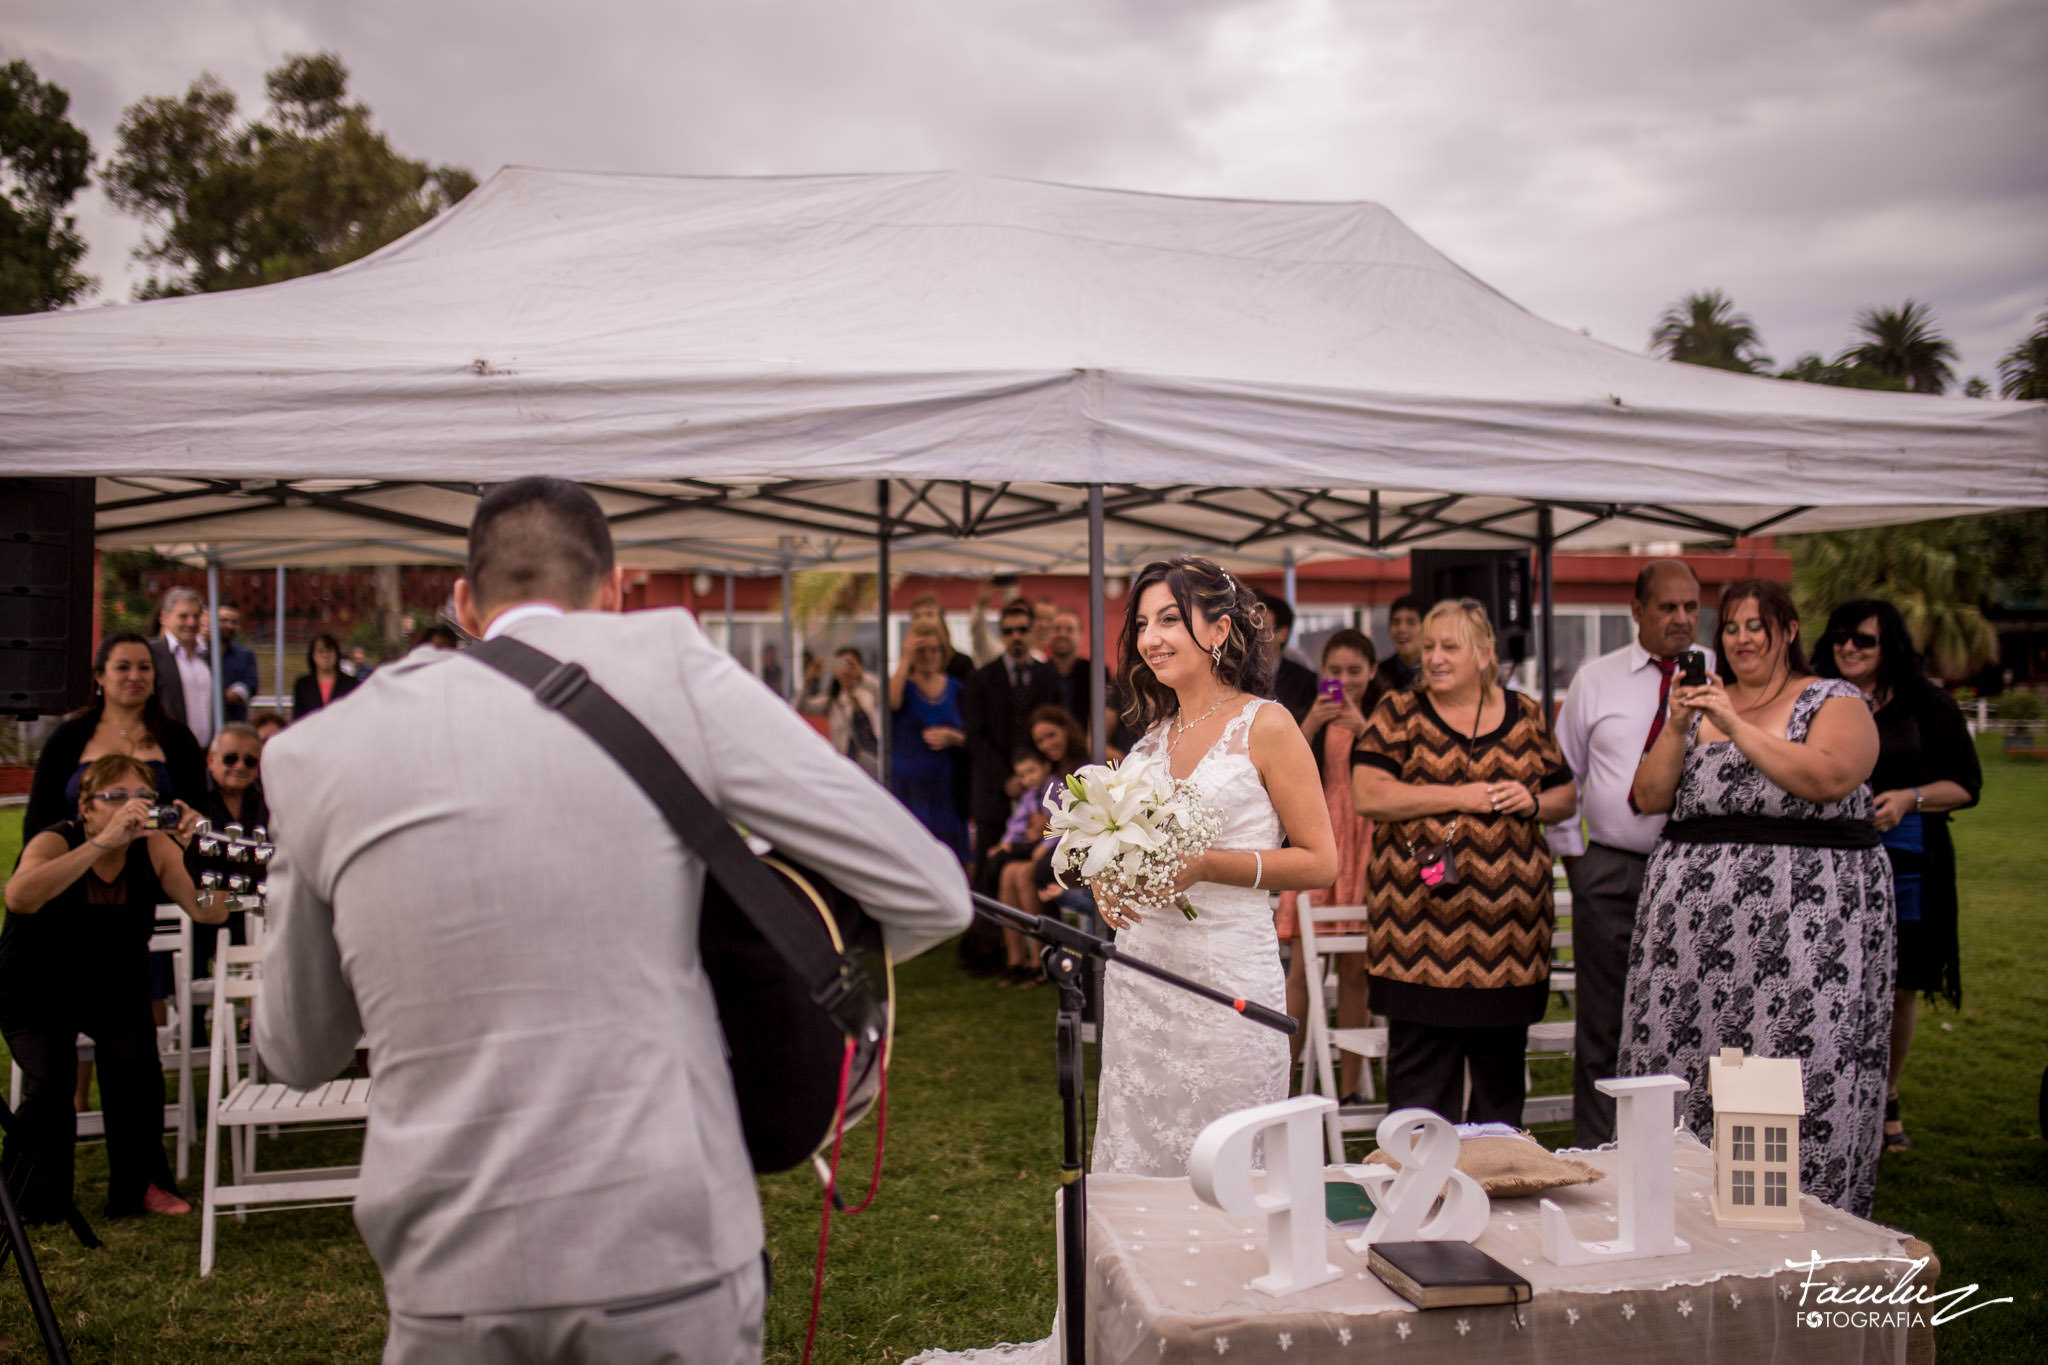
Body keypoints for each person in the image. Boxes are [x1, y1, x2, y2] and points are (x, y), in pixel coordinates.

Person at [255, 476, 970, 1364]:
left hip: (447, 1263)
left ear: (463, 602)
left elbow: (294, 1049)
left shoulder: (314, 750)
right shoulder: (668, 662)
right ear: (617, 588)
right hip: (664, 1234)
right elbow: (929, 891)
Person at [1619, 578, 1889, 1218]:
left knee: (1791, 1056)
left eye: (1756, 625)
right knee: (1687, 1055)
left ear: (1788, 631)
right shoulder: (1702, 703)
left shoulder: (1833, 698)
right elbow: (1650, 797)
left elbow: (1828, 777)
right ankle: (1676, 1203)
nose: (1742, 638)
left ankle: (1794, 1209)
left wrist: (1734, 724)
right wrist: (1679, 723)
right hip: (1692, 926)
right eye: (1732, 627)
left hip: (1803, 922)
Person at [1090, 555, 1338, 1176]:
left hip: (1226, 977)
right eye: (1143, 623)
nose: (1151, 638)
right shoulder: (1151, 739)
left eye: (1170, 619)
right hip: (1141, 976)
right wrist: (1105, 875)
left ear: (1221, 630)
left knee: (1225, 1164)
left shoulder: (1268, 724)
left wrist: (1205, 865)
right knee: (1139, 1149)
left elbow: (1320, 861)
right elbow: (1127, 841)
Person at [1352, 599, 1576, 1126]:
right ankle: (1419, 1195)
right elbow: (1370, 794)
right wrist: (1463, 796)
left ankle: (1500, 1191)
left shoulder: (1525, 714)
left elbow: (1565, 795)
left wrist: (1534, 803)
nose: (1435, 658)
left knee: (1500, 1097)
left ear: (1484, 653)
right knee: (1421, 1097)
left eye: (1450, 646)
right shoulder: (1398, 713)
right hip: (1418, 944)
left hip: (1512, 946)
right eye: (1429, 647)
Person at [2, 754, 225, 1222]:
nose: (134, 807)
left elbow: (211, 912)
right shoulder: (55, 839)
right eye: (116, 797)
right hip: (36, 985)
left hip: (115, 986)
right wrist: (101, 845)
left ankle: (141, 1186)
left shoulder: (156, 847)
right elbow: (19, 896)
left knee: (137, 1072)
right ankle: (32, 1197)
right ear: (86, 807)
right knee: (48, 1083)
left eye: (144, 796)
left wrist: (204, 848)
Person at [1549, 558, 1707, 1146]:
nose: (1681, 619)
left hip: (1697, 872)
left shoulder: (1720, 676)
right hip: (1612, 867)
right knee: (1603, 1019)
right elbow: (1563, 777)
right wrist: (1580, 867)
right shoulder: (1597, 679)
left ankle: (1682, 1148)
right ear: (1636, 611)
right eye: (1668, 607)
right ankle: (1597, 1148)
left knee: (1689, 1012)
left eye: (1691, 606)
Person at [1815, 598, 1980, 1153]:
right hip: (1828, 862)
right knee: (1829, 978)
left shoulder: (1928, 702)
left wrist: (1909, 798)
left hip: (1907, 864)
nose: (1849, 647)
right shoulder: (1815, 695)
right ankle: (1831, 1095)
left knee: (1898, 986)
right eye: (1841, 636)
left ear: (1890, 647)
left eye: (1864, 639)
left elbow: (1966, 785)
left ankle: (1886, 1096)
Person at [1275, 628, 1380, 1096]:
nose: (1344, 680)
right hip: (1319, 836)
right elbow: (1284, 767)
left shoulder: (1382, 716)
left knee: (1356, 969)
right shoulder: (1305, 719)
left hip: (1365, 840)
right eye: (1335, 671)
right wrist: (1313, 722)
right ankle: (1288, 1077)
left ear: (1372, 672)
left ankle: (1352, 1084)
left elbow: (1398, 760)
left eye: (1354, 671)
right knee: (1300, 968)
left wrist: (1363, 726)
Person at [25, 633, 206, 845]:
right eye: (123, 667)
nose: (135, 676)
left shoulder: (178, 738)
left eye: (144, 668)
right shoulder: (68, 737)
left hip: (160, 860)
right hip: (80, 857)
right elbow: (40, 816)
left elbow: (198, 806)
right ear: (100, 676)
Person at [962, 600, 1061, 875]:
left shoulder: (1048, 675)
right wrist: (1010, 778)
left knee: (1034, 871)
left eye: (1022, 629)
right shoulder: (981, 679)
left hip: (1042, 792)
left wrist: (1033, 775)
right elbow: (975, 737)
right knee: (990, 870)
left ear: (1032, 632)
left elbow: (1055, 726)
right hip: (994, 792)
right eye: (1008, 631)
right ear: (1002, 634)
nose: (1016, 636)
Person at [187, 722, 270, 983]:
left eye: (250, 761)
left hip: (255, 905)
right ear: (211, 759)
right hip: (203, 907)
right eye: (231, 758)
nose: (240, 767)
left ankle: (252, 1019)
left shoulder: (267, 801)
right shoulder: (192, 796)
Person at [888, 620, 971, 863]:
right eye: (921, 650)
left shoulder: (957, 688)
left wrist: (953, 738)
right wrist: (905, 660)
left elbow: (973, 736)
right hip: (909, 788)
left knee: (951, 857)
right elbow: (891, 702)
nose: (928, 655)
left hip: (946, 788)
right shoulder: (902, 684)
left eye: (934, 649)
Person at [993, 746, 1056, 986]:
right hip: (1034, 850)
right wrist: (1006, 844)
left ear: (1045, 767)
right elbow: (1017, 824)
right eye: (1022, 775)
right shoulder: (1030, 795)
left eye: (1031, 771)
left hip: (1051, 851)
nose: (1027, 778)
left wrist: (1045, 843)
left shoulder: (1057, 787)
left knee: (1022, 874)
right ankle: (1016, 959)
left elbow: (1065, 822)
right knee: (1007, 873)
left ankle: (1039, 960)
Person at [802, 646, 883, 779]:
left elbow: (886, 694)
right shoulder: (832, 701)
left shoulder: (872, 693)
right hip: (846, 767)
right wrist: (809, 680)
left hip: (876, 764)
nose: (846, 671)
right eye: (841, 665)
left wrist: (861, 675)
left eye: (850, 665)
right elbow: (801, 707)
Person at [150, 586, 215, 747]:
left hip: (207, 753)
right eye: (183, 616)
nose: (191, 622)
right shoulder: (152, 653)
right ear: (164, 617)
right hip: (169, 749)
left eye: (196, 616)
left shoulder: (210, 656)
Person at [1257, 590, 1320, 723]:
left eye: (1262, 630)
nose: (1255, 636)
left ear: (1283, 634)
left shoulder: (1304, 680)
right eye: (1250, 628)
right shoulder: (1234, 674)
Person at [213, 601, 261, 724]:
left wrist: (223, 696)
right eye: (223, 621)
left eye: (233, 622)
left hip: (234, 724)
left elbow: (251, 686)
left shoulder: (245, 655)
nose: (229, 626)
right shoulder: (201, 653)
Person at [292, 633, 359, 718]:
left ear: (337, 654)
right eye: (321, 651)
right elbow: (298, 719)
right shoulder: (303, 685)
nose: (325, 655)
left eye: (329, 650)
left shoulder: (351, 684)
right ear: (313, 656)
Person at [1373, 594, 1426, 696]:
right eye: (1396, 623)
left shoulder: (1435, 671)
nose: (1402, 629)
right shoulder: (1378, 675)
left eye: (1411, 623)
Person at [1046, 608, 1091, 727]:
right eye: (1057, 629)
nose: (1062, 634)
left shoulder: (1096, 673)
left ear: (1081, 636)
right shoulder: (1036, 674)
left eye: (1069, 629)